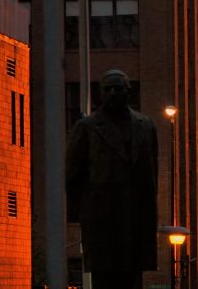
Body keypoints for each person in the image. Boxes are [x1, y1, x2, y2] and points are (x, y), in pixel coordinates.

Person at [66, 69, 158, 289]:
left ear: (129, 92)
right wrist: (87, 210)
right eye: (107, 89)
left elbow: (151, 173)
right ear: (100, 93)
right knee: (105, 279)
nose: (113, 93)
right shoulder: (86, 128)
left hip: (136, 220)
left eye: (118, 88)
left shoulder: (145, 125)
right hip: (102, 221)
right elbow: (71, 176)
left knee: (133, 279)